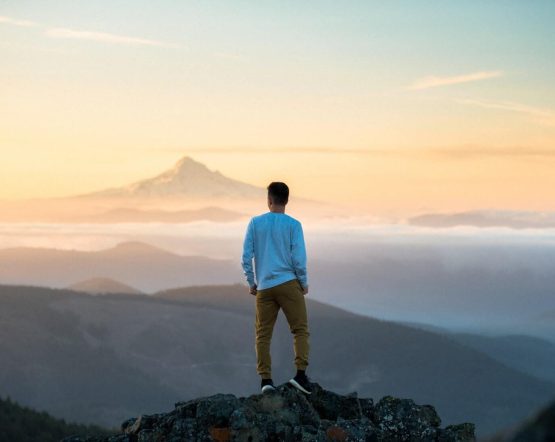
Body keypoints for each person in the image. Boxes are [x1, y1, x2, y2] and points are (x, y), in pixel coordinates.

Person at [241, 182, 312, 395]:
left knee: (263, 334)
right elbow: (298, 259)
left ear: (269, 200)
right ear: (287, 200)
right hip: (289, 283)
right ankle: (300, 375)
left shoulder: (255, 223)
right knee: (299, 330)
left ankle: (266, 381)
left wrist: (252, 281)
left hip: (264, 287)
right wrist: (303, 283)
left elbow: (246, 257)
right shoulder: (293, 225)